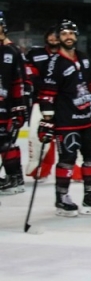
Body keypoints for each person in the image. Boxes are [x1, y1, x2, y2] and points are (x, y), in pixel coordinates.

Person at [38, 20, 91, 216]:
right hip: (65, 122)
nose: (68, 37)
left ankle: (90, 197)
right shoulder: (55, 63)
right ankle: (61, 199)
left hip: (85, 120)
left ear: (76, 36)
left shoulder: (84, 58)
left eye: (71, 33)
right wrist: (46, 119)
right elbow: (46, 94)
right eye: (64, 34)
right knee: (67, 159)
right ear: (59, 37)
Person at [24, 26, 60, 180]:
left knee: (68, 135)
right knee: (37, 136)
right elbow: (28, 74)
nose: (53, 38)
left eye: (56, 36)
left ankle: (76, 169)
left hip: (63, 102)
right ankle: (40, 168)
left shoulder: (69, 55)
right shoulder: (35, 53)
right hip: (40, 101)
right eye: (50, 35)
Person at [0, 15, 27, 196]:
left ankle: (14, 178)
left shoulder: (11, 51)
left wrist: (19, 106)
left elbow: (19, 82)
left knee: (4, 142)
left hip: (4, 105)